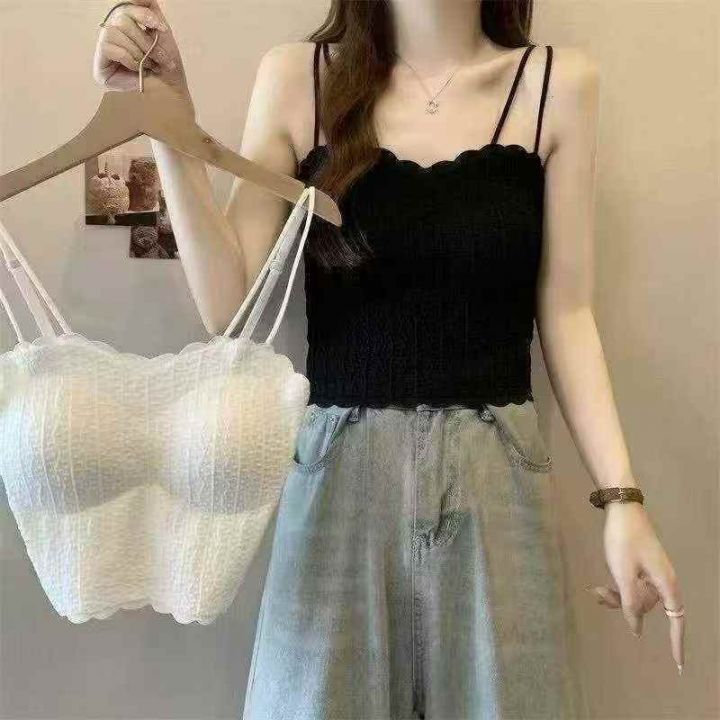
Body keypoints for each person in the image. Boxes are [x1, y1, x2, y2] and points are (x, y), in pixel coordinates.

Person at [93, 1, 685, 718]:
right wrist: (168, 122)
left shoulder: (555, 87)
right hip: (340, 478)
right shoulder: (299, 79)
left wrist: (622, 499)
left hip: (496, 480)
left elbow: (566, 312)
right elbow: (232, 309)